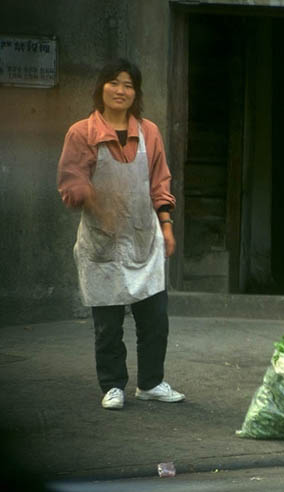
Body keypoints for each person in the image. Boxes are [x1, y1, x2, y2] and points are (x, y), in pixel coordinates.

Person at [57, 58, 185, 410]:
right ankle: (113, 385)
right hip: (101, 244)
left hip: (145, 240)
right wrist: (95, 202)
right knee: (108, 326)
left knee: (155, 321)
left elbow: (161, 182)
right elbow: (70, 184)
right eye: (114, 83)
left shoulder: (150, 133)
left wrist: (167, 226)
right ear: (101, 88)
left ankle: (151, 382)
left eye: (128, 85)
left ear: (136, 94)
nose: (121, 90)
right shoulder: (81, 133)